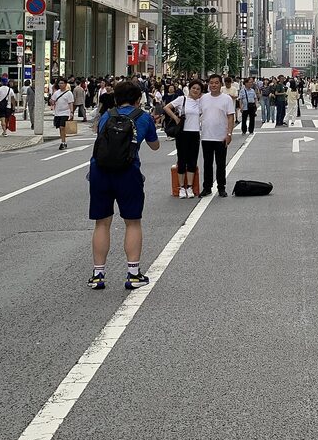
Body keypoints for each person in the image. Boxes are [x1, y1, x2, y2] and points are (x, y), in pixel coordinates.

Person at [87, 79, 160, 290]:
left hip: (100, 171)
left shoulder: (106, 116)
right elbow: (155, 146)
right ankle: (133, 273)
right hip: (128, 172)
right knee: (132, 222)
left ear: (116, 99)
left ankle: (98, 275)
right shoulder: (143, 117)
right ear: (138, 99)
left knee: (101, 223)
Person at [163, 79, 204, 198]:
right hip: (183, 133)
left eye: (198, 89)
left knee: (192, 160)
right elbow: (166, 107)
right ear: (189, 88)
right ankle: (181, 187)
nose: (195, 90)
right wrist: (176, 118)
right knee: (182, 160)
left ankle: (190, 187)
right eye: (193, 88)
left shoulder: (200, 102)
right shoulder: (182, 99)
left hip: (195, 133)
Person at [199, 74, 235, 197]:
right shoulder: (203, 98)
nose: (214, 85)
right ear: (208, 84)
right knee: (207, 163)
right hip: (206, 136)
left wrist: (229, 133)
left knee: (221, 163)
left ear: (221, 84)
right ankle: (207, 187)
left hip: (221, 136)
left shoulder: (227, 99)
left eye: (216, 83)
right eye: (211, 83)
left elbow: (231, 117)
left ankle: (221, 187)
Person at [50, 77, 74, 149]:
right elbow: (52, 100)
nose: (60, 85)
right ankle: (63, 141)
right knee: (60, 128)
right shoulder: (56, 93)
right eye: (59, 83)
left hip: (65, 112)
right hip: (57, 113)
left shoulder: (69, 93)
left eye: (62, 83)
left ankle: (63, 142)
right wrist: (51, 102)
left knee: (62, 127)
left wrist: (71, 112)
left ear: (65, 84)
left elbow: (70, 103)